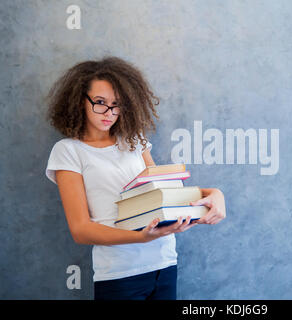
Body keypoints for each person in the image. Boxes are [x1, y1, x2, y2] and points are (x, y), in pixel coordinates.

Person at [44, 56, 226, 300]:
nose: (109, 112)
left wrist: (212, 194)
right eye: (100, 102)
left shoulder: (134, 140)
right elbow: (81, 230)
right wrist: (140, 237)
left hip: (164, 263)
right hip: (120, 274)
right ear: (79, 102)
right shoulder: (68, 151)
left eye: (116, 104)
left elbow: (159, 194)